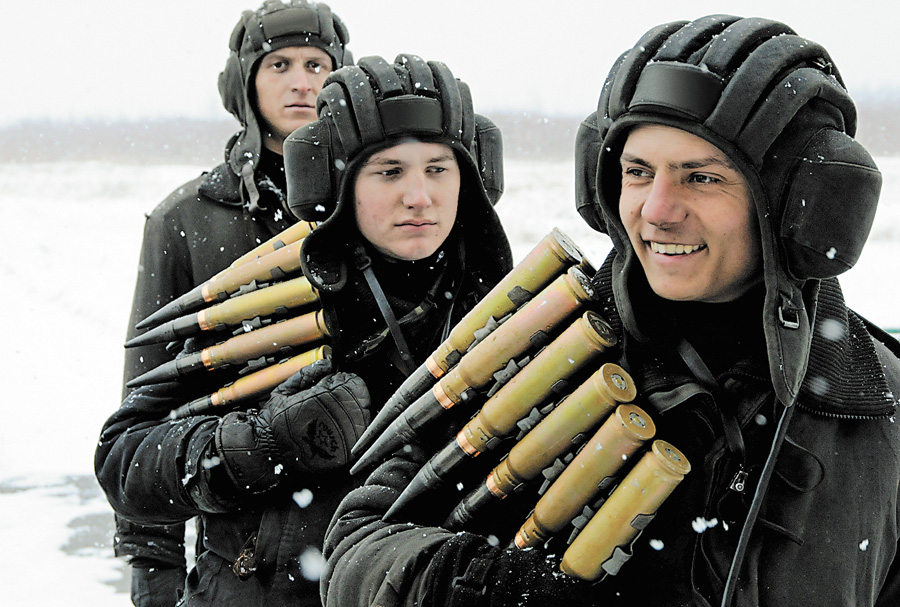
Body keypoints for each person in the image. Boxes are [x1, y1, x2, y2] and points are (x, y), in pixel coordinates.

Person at [319, 15, 900, 607]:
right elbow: (358, 544)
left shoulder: (880, 406)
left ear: (795, 204)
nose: (656, 210)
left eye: (701, 178)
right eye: (637, 172)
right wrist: (471, 583)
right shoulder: (542, 342)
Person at [96, 53, 513, 606]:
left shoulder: (506, 318)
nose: (420, 196)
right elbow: (124, 460)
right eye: (389, 171)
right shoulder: (270, 306)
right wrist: (256, 444)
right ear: (339, 183)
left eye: (438, 168)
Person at [114, 2, 351, 604]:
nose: (302, 80)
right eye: (280, 65)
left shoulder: (373, 206)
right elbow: (149, 403)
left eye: (317, 64)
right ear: (244, 83)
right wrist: (153, 562)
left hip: (360, 546)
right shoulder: (185, 218)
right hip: (242, 556)